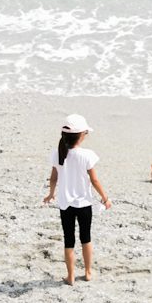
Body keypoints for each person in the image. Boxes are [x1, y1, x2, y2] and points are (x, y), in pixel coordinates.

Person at [45, 114, 110, 284]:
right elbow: (94, 180)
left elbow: (53, 178)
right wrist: (105, 198)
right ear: (81, 135)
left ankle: (71, 276)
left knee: (69, 240)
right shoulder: (87, 155)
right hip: (84, 203)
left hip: (65, 204)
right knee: (86, 238)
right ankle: (88, 272)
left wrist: (51, 194)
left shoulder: (57, 154)